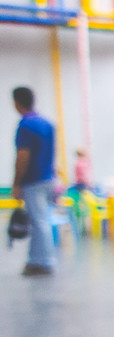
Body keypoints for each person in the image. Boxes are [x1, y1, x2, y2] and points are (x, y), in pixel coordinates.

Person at [11, 86, 57, 277]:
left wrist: (16, 182)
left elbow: (23, 156)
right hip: (48, 178)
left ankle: (43, 262)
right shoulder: (47, 124)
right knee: (40, 219)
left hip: (33, 180)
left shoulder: (25, 125)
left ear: (16, 102)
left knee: (39, 221)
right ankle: (35, 260)